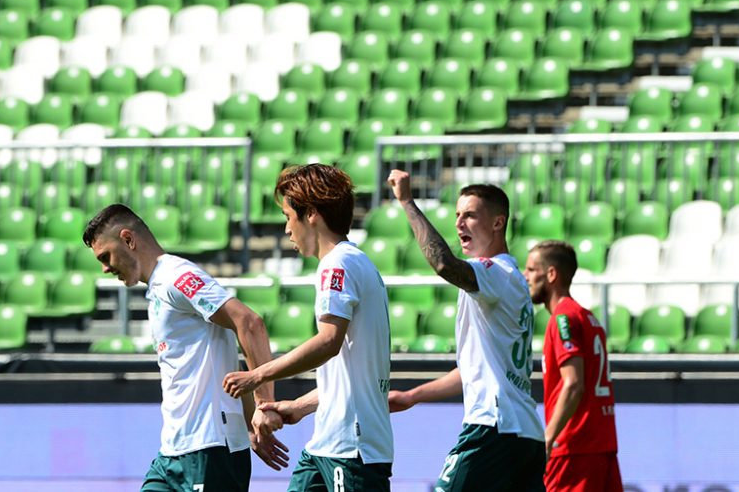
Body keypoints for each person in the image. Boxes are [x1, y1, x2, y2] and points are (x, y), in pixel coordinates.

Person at [82, 203, 288, 492]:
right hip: (172, 452)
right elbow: (225, 362)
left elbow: (250, 323)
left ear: (128, 240)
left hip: (209, 449)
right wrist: (248, 419)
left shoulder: (177, 277)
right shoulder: (157, 289)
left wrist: (263, 407)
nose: (105, 268)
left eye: (106, 256)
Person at [222, 163, 394, 492]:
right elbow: (349, 374)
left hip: (352, 450)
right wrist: (299, 408)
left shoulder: (337, 265)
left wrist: (258, 375)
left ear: (311, 214)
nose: (287, 229)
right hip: (325, 447)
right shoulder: (353, 262)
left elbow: (329, 342)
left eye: (288, 216)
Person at [385, 170, 545, 491]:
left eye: (470, 215)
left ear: (498, 223)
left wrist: (407, 202)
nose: (459, 223)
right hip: (525, 433)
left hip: (493, 427)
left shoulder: (495, 273)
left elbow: (444, 264)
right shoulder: (504, 281)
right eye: (457, 215)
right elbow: (474, 369)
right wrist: (412, 395)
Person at [522, 240, 622, 492]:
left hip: (573, 449)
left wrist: (548, 438)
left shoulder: (563, 318)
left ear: (551, 274)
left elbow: (573, 383)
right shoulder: (588, 317)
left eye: (532, 270)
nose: (526, 277)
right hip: (602, 445)